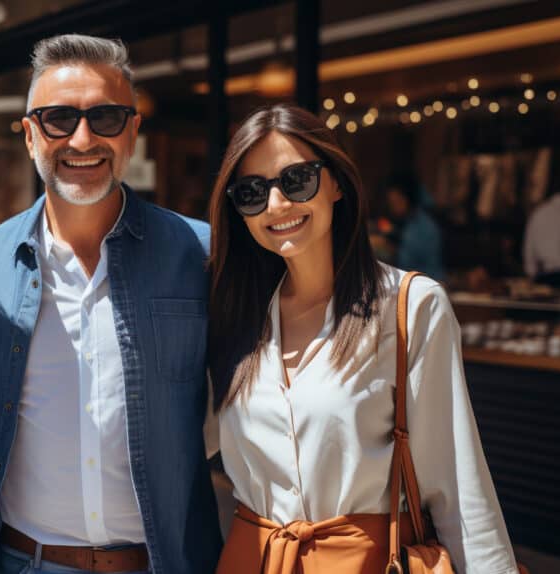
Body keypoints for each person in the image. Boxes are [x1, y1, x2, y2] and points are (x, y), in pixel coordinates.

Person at [0, 34, 222, 574]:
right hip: (23, 563)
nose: (82, 139)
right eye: (58, 119)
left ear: (133, 133)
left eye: (106, 118)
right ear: (30, 136)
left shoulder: (201, 255)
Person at [208, 104, 519, 574]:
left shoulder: (411, 306)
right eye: (252, 193)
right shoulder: (235, 317)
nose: (276, 205)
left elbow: (455, 482)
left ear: (336, 183)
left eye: (296, 180)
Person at [385, 172, 445, 281]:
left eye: (397, 202)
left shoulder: (424, 227)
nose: (393, 207)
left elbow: (407, 262)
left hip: (426, 282)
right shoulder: (405, 223)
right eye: (391, 203)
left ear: (408, 199)